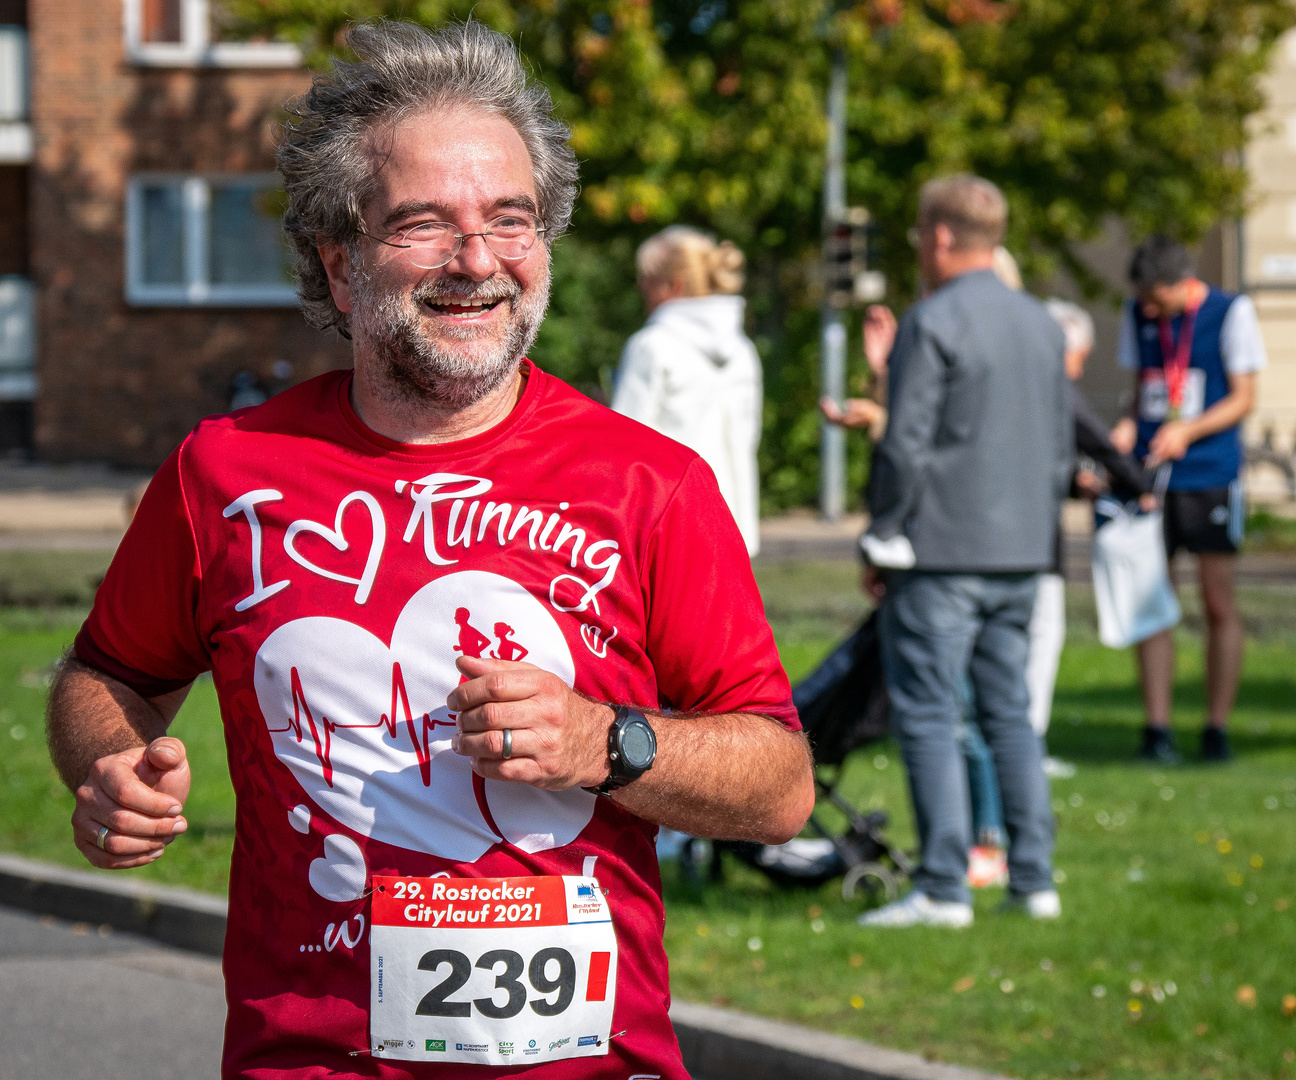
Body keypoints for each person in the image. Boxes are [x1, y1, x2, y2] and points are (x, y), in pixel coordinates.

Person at [45, 21, 814, 1079]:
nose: (477, 260)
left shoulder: (652, 484)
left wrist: (606, 743)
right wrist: (109, 767)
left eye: (511, 219)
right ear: (341, 263)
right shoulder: (221, 473)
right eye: (424, 223)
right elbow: (109, 673)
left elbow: (779, 787)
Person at [855, 174, 1071, 928]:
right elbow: (1058, 449)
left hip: (941, 551)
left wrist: (881, 532)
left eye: (921, 235)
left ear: (941, 237)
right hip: (1021, 554)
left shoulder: (931, 321)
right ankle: (1034, 879)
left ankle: (944, 886)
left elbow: (906, 444)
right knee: (1010, 714)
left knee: (930, 713)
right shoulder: (1043, 326)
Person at [1109, 236, 1267, 763]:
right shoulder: (1139, 315)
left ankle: (1215, 726)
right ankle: (1157, 729)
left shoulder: (1230, 312)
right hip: (1155, 477)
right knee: (1153, 603)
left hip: (1210, 473)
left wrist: (1190, 432)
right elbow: (1142, 388)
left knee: (1217, 601)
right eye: (1144, 301)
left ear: (1183, 285)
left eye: (1158, 300)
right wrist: (1129, 427)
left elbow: (1244, 397)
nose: (1149, 310)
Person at [612, 226, 764, 555]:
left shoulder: (650, 346)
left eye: (647, 279)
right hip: (734, 528)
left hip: (670, 532)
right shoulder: (742, 349)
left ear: (673, 285)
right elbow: (749, 435)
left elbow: (625, 447)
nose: (640, 287)